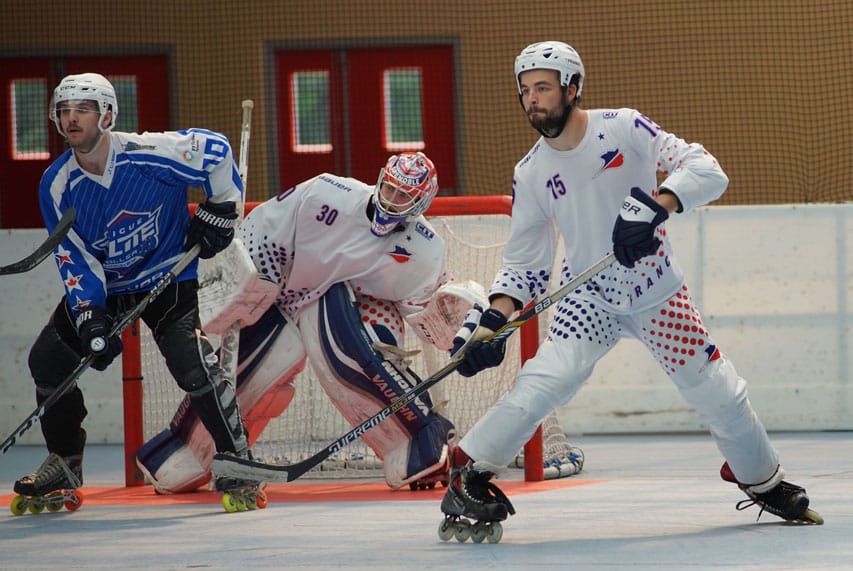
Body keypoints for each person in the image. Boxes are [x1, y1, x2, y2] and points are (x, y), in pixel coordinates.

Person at [439, 41, 819, 536]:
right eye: (526, 91)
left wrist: (658, 204)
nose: (533, 100)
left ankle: (761, 481)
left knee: (720, 393)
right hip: (586, 298)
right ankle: (469, 468)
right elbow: (525, 263)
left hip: (657, 292)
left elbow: (706, 168)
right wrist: (492, 321)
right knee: (543, 384)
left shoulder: (624, 126)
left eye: (544, 89)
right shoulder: (530, 172)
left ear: (573, 88)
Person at [137, 151, 483, 492]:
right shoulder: (326, 192)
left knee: (348, 355)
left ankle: (417, 439)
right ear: (379, 180)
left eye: (404, 195)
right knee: (250, 371)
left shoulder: (425, 251)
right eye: (390, 188)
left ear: (421, 202)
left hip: (359, 306)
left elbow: (427, 317)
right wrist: (250, 283)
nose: (392, 200)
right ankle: (189, 448)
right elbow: (265, 228)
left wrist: (459, 325)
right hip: (286, 294)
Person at [13, 73, 258, 507]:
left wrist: (222, 208)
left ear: (107, 114)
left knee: (190, 361)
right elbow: (73, 256)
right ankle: (64, 462)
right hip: (110, 286)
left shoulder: (150, 154)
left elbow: (217, 151)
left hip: (168, 273)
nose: (72, 118)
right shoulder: (55, 184)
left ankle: (236, 459)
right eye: (64, 110)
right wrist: (89, 311)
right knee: (47, 360)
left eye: (83, 109)